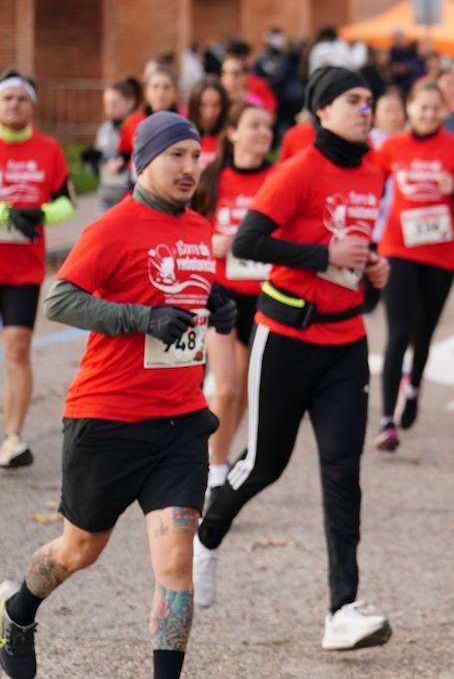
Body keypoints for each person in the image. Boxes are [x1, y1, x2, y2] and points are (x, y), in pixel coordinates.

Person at [0, 112, 237, 679]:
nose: (188, 167)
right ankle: (18, 611)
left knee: (177, 559)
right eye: (175, 155)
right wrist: (140, 318)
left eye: (194, 155)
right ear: (144, 160)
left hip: (180, 421)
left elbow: (193, 295)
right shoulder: (112, 227)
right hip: (106, 418)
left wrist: (221, 305)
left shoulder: (199, 229)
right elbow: (61, 301)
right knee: (78, 551)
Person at [193, 67, 393, 651]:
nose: (366, 109)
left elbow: (355, 248)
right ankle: (207, 536)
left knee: (342, 473)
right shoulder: (298, 169)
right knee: (265, 464)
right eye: (354, 100)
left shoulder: (376, 171)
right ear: (322, 110)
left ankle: (341, 609)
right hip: (283, 337)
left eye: (370, 101)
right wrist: (322, 253)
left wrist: (372, 266)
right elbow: (251, 242)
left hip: (346, 344)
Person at [372, 82, 454, 451]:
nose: (429, 114)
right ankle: (387, 420)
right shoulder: (391, 147)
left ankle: (414, 387)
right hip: (398, 248)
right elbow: (369, 187)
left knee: (424, 332)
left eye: (436, 108)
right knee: (399, 332)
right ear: (410, 108)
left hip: (441, 254)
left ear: (445, 111)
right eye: (423, 108)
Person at [190, 102, 277, 495]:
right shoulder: (210, 178)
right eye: (254, 125)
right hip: (219, 295)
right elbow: (187, 231)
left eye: (268, 127)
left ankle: (216, 458)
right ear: (233, 132)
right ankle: (214, 469)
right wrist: (213, 243)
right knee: (224, 388)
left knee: (241, 393)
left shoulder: (279, 179)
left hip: (263, 298)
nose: (263, 133)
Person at [0, 74, 75, 469]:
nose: (13, 105)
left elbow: (67, 204)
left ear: (32, 106)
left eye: (21, 99)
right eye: (7, 98)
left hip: (23, 271)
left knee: (17, 348)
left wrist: (39, 213)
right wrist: (8, 213)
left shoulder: (48, 150)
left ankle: (12, 436)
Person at [83, 77, 140, 212]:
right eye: (106, 104)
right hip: (106, 191)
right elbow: (97, 171)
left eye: (114, 104)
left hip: (129, 191)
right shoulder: (104, 130)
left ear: (130, 102)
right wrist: (93, 161)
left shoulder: (137, 127)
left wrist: (123, 164)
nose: (109, 108)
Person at [118, 65, 181, 160]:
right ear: (146, 92)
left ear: (176, 93)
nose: (160, 93)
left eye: (167, 87)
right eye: (155, 87)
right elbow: (124, 154)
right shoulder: (131, 122)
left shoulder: (184, 123)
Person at [186, 77, 228, 167]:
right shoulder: (183, 136)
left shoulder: (231, 138)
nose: (209, 113)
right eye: (203, 105)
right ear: (194, 105)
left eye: (215, 105)